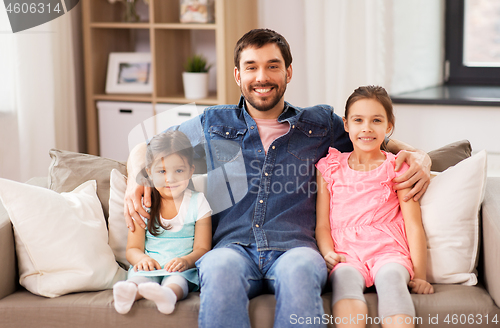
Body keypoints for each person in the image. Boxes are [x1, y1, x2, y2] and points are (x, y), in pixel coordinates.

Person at [124, 29, 432, 328]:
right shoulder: (214, 122)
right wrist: (134, 180)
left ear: (288, 73)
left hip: (295, 248)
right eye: (251, 67)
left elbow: (371, 138)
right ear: (237, 75)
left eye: (273, 66)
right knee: (216, 268)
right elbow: (148, 146)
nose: (262, 77)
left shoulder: (320, 123)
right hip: (233, 247)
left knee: (301, 270)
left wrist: (420, 156)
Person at [315, 86, 434, 328]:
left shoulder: (398, 166)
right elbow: (322, 224)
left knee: (391, 278)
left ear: (388, 127)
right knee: (344, 279)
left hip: (388, 251)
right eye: (358, 120)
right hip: (347, 254)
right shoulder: (330, 168)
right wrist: (328, 252)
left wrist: (420, 275)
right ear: (346, 125)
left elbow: (413, 224)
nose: (367, 128)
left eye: (376, 120)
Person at [113, 130, 212, 315]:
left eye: (179, 170)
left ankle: (167, 295)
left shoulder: (198, 202)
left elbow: (203, 248)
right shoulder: (145, 205)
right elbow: (132, 249)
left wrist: (186, 261)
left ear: (191, 171)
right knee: (140, 279)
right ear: (149, 172)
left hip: (180, 270)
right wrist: (142, 260)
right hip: (148, 268)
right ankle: (129, 294)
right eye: (162, 171)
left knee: (177, 282)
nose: (170, 179)